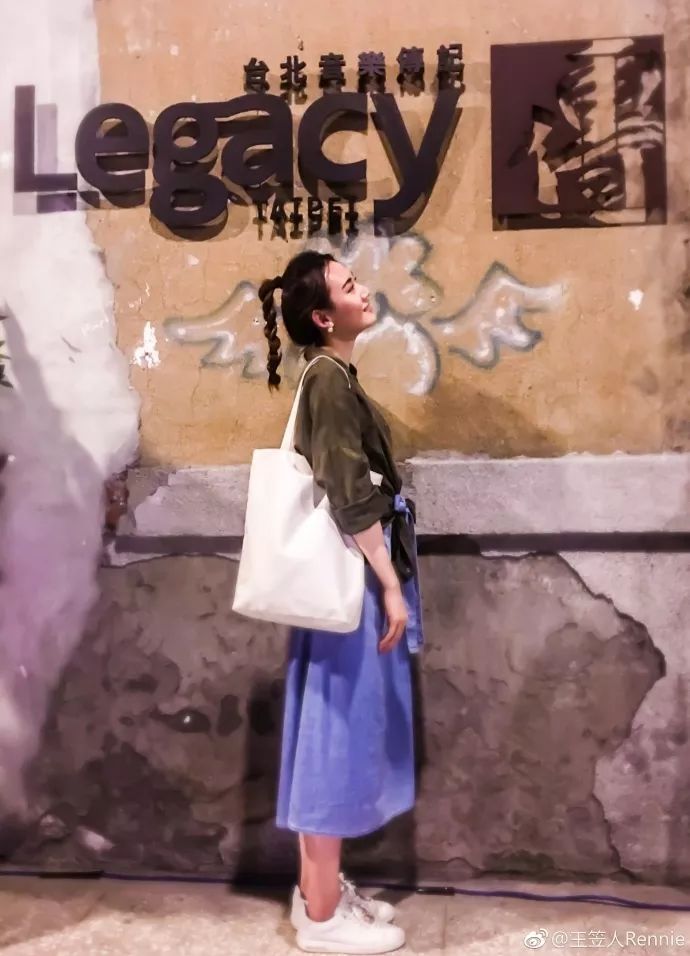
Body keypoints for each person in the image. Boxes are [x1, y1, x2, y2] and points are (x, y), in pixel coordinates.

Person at [259, 250, 424, 955]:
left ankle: (317, 894)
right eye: (349, 286)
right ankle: (324, 918)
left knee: (329, 731)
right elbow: (349, 491)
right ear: (325, 317)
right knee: (334, 739)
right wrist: (388, 582)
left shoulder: (331, 375)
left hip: (340, 584)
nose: (364, 291)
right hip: (350, 585)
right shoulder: (327, 380)